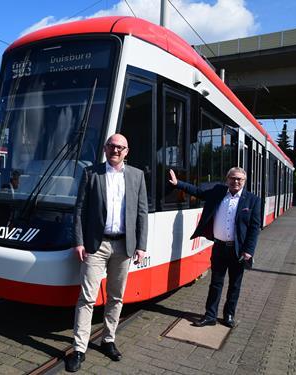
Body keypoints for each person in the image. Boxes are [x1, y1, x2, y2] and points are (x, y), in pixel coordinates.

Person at [65, 134, 148, 372]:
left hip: (124, 246)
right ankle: (80, 348)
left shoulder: (137, 175)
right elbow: (79, 210)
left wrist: (141, 245)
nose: (116, 150)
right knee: (87, 298)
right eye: (112, 146)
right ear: (105, 148)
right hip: (95, 244)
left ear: (127, 151)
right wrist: (78, 241)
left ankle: (108, 340)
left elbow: (141, 212)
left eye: (120, 147)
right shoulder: (91, 174)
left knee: (116, 297)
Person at [168, 167, 261, 328]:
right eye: (232, 178)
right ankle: (210, 315)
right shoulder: (218, 192)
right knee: (215, 283)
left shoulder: (252, 200)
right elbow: (198, 192)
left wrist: (249, 251)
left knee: (234, 285)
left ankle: (229, 315)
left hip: (238, 250)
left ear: (244, 182)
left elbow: (254, 227)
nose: (236, 181)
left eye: (240, 179)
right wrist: (178, 183)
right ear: (227, 179)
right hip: (219, 247)